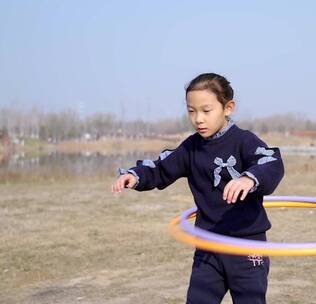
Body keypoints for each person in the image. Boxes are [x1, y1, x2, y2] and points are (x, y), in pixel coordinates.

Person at [111, 73, 284, 304]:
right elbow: (161, 167)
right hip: (207, 247)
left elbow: (271, 162)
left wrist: (249, 179)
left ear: (228, 108)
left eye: (206, 110)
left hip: (246, 246)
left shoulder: (244, 141)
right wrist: (135, 175)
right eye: (191, 111)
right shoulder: (191, 147)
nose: (198, 119)